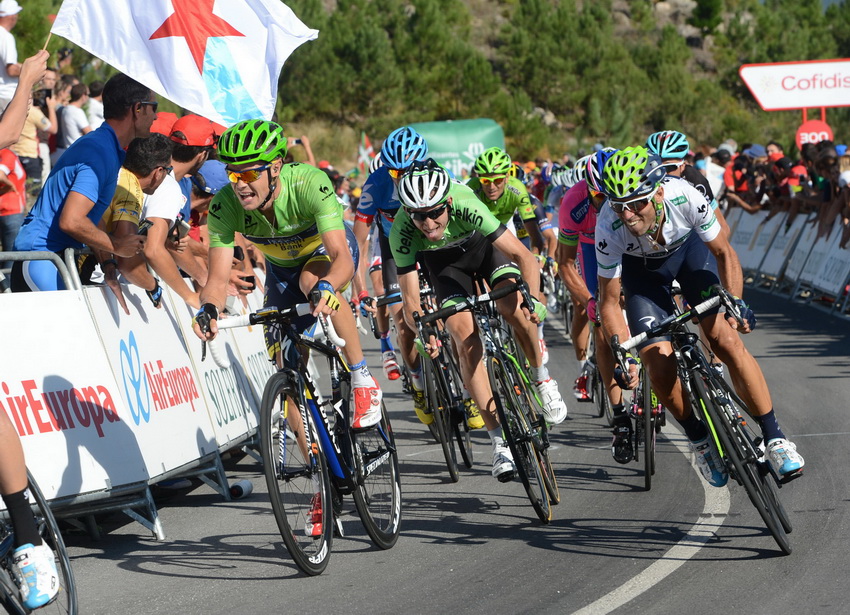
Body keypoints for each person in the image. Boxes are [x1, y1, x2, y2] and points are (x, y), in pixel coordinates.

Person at [595, 146, 805, 486]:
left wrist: (736, 301)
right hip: (643, 279)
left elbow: (724, 252)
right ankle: (699, 439)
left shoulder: (685, 196)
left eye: (637, 203)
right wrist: (623, 354)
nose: (628, 214)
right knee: (658, 366)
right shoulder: (608, 224)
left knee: (725, 338)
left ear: (658, 192)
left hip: (688, 257)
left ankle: (775, 438)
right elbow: (608, 302)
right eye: (620, 206)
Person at [193, 119, 383, 429]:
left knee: (312, 281)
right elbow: (216, 279)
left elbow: (342, 259)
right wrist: (209, 307)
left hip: (324, 253)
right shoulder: (224, 205)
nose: (240, 184)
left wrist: (329, 285)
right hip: (281, 269)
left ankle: (362, 377)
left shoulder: (309, 184)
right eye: (233, 173)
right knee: (288, 364)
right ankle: (316, 457)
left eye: (251, 172)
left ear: (276, 166)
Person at [390, 158, 567, 482]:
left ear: (448, 203)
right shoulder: (402, 229)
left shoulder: (469, 205)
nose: (428, 224)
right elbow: (411, 299)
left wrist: (535, 299)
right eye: (419, 216)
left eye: (434, 213)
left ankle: (541, 378)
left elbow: (522, 256)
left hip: (482, 250)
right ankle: (499, 440)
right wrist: (424, 329)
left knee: (512, 307)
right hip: (444, 267)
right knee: (464, 339)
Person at [352, 127, 464, 426]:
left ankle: (465, 385)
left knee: (449, 316)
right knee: (403, 323)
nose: (400, 179)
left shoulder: (439, 175)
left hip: (430, 243)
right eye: (394, 173)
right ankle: (417, 383)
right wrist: (359, 288)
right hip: (395, 248)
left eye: (406, 171)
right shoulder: (375, 185)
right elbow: (358, 243)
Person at [11, 73, 155, 291]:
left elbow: (89, 216)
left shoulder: (107, 147)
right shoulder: (99, 151)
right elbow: (72, 221)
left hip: (53, 258)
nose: (155, 117)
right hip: (41, 258)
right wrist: (116, 246)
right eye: (153, 107)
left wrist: (107, 262)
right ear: (137, 109)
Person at [556, 149, 627, 454]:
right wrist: (589, 300)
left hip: (627, 240)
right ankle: (620, 414)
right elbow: (565, 263)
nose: (604, 204)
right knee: (599, 318)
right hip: (589, 247)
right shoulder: (574, 201)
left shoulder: (628, 196)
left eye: (609, 196)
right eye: (598, 197)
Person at [84, 133, 174, 311]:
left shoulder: (117, 171)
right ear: (158, 172)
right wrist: (153, 286)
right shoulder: (130, 189)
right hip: (70, 263)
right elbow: (127, 262)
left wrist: (108, 264)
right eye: (168, 171)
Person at [139, 114, 218, 307]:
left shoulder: (156, 171)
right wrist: (189, 295)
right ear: (202, 155)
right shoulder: (168, 186)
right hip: (130, 273)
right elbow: (154, 249)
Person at [0, 147, 25, 289]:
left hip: (9, 213)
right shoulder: (7, 154)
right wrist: (9, 185)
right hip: (11, 212)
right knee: (11, 260)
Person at [51, 83, 91, 165]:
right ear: (83, 96)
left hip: (65, 151)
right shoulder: (77, 111)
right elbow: (89, 133)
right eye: (88, 95)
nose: (88, 98)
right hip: (76, 153)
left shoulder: (66, 109)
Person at [0, 0, 22, 112]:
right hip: (5, 95)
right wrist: (30, 70)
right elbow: (11, 70)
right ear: (12, 16)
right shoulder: (6, 37)